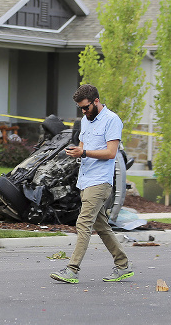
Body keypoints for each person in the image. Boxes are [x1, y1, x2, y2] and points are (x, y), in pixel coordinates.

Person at [50, 84, 133, 284]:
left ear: (96, 101)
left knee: (83, 223)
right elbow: (83, 145)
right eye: (80, 108)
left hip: (100, 182)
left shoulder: (112, 120)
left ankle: (72, 269)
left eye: (86, 107)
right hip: (85, 180)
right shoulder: (85, 121)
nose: (84, 111)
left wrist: (84, 152)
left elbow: (111, 153)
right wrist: (76, 151)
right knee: (102, 226)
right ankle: (123, 265)